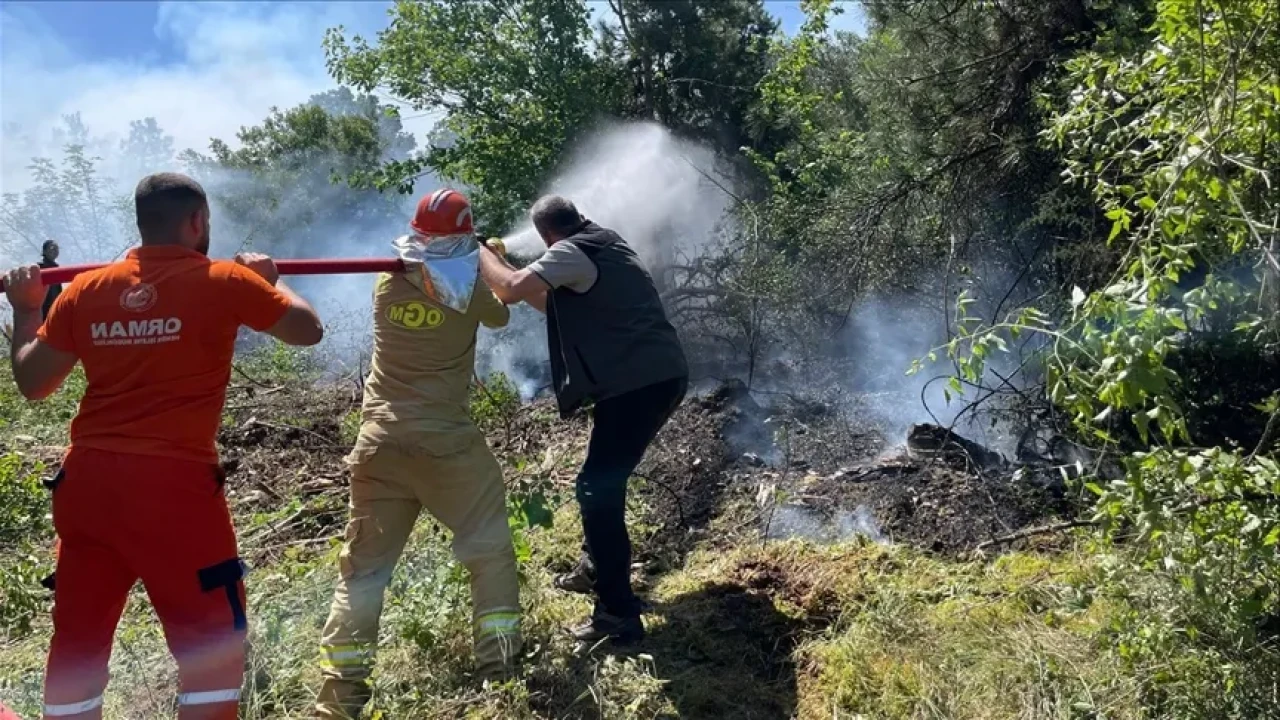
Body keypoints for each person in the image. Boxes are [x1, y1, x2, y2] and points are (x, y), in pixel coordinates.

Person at [4, 172, 323, 720]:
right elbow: (307, 330)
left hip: (88, 488)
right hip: (173, 492)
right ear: (197, 221)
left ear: (142, 223)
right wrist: (270, 281)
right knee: (210, 640)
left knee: (79, 641)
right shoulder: (225, 279)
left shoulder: (85, 289)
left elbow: (34, 383)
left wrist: (26, 309)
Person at [316, 188, 522, 719]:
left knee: (362, 574)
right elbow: (500, 315)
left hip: (379, 443)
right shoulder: (470, 287)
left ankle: (338, 701)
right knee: (489, 550)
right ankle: (499, 673)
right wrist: (490, 256)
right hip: (446, 443)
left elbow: (430, 275)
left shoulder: (387, 281)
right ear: (464, 236)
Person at [478, 195, 688, 644]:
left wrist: (480, 254)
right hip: (652, 378)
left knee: (597, 488)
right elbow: (545, 301)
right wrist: (504, 263)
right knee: (600, 483)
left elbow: (510, 290)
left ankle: (616, 614)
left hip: (638, 385)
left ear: (546, 237)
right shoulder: (601, 243)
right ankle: (595, 568)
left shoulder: (571, 252)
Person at [39, 240, 62, 320]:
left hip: (54, 304)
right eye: (52, 248)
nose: (55, 250)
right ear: (44, 251)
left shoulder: (56, 267)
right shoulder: (40, 267)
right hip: (43, 305)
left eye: (57, 248)